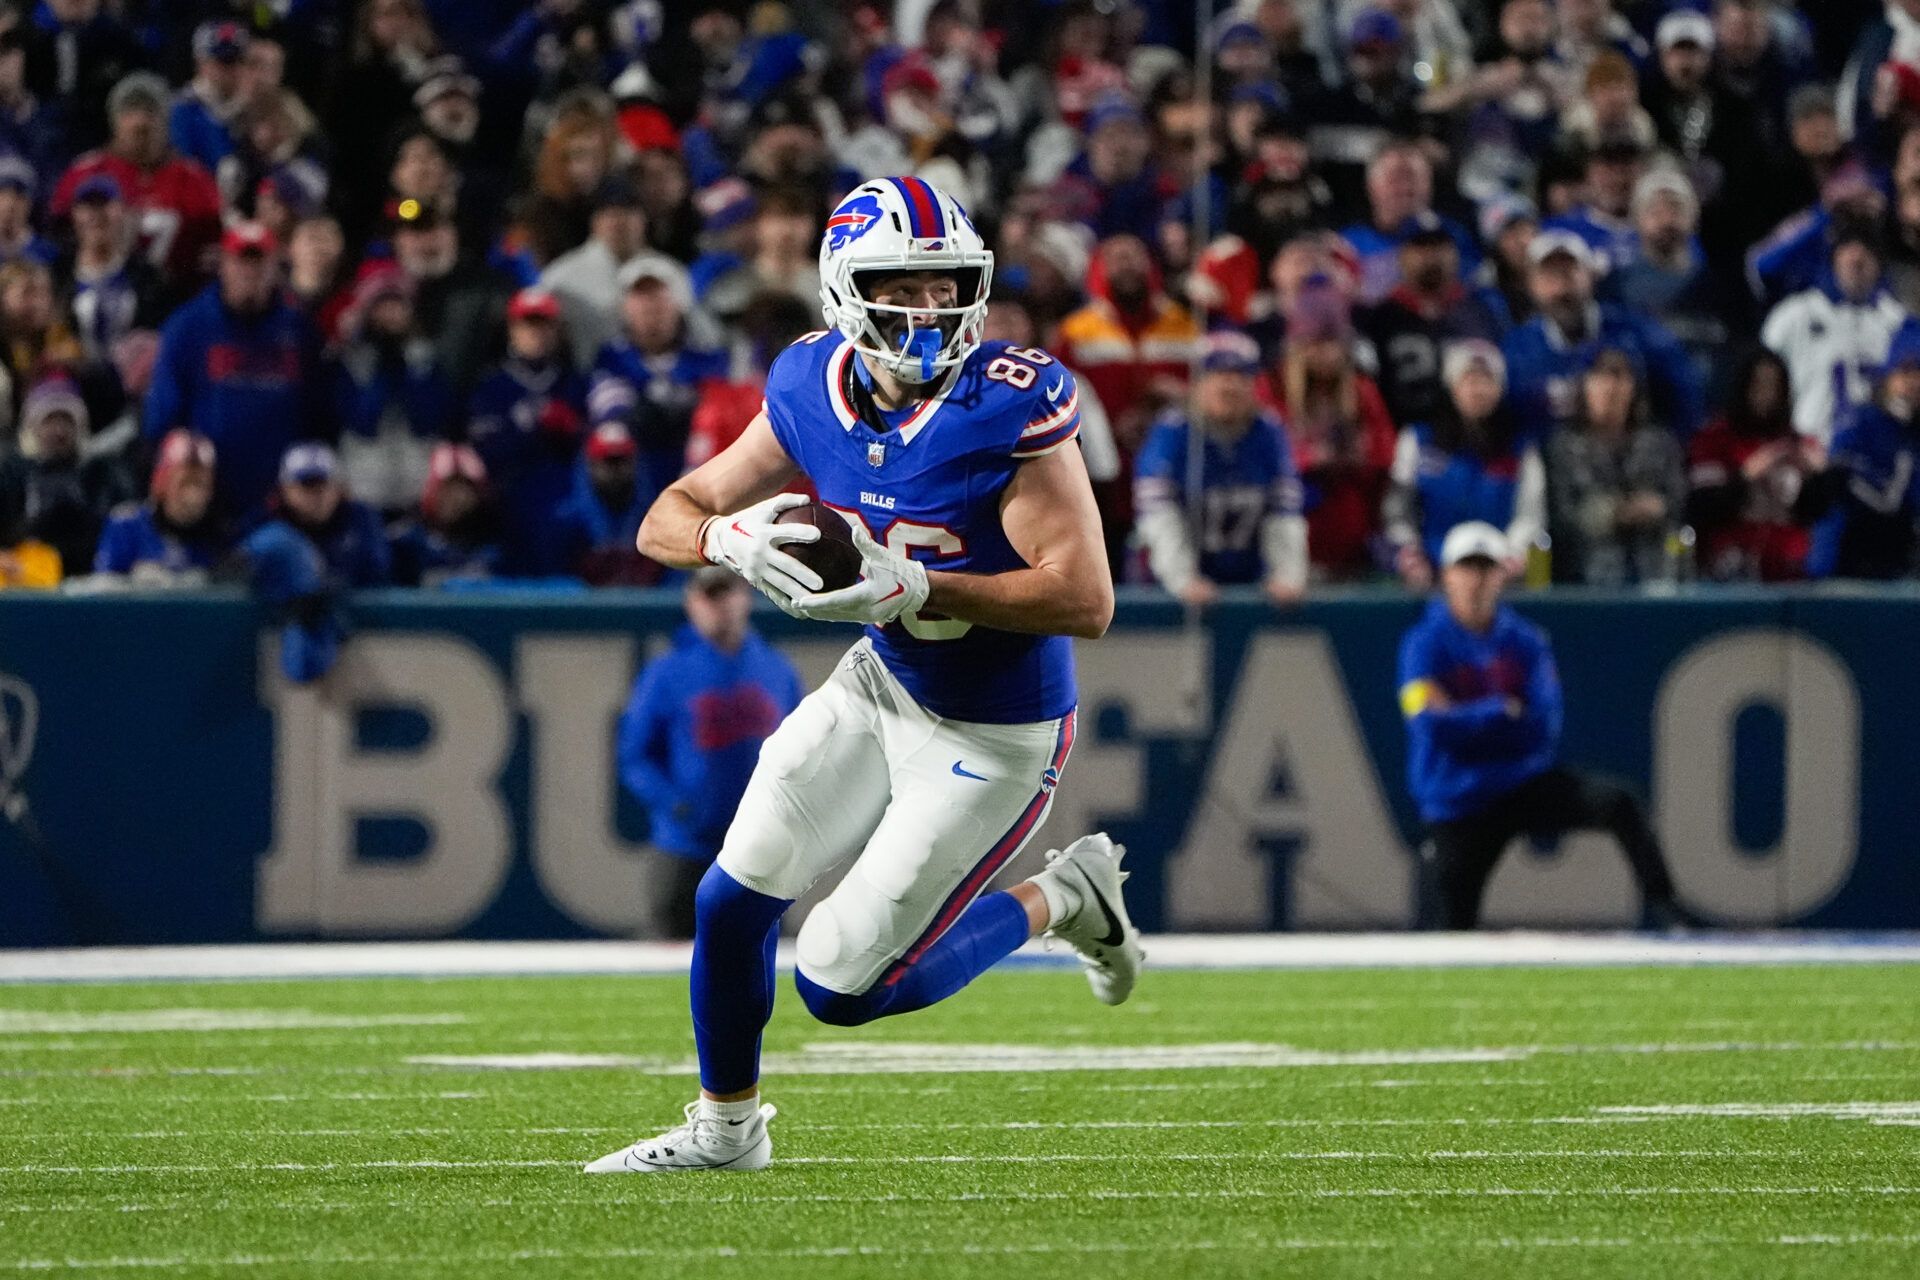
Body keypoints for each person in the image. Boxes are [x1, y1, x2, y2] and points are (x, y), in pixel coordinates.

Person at [590, 176, 1140, 1175]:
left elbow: (1084, 599)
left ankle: (1065, 895)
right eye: (902, 286)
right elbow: (665, 516)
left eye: (945, 287)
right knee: (729, 901)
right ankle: (727, 1133)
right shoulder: (808, 383)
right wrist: (726, 540)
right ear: (847, 289)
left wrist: (922, 582)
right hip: (881, 684)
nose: (930, 310)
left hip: (996, 732)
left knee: (841, 986)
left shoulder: (1005, 402)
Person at [1397, 520, 1702, 930]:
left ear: (1502, 575)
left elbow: (1543, 723)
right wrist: (1499, 711)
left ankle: (1667, 909)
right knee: (1451, 928)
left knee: (1619, 802)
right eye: (1467, 568)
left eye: (1486, 568)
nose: (1477, 580)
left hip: (1520, 783)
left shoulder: (1525, 640)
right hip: (1458, 800)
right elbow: (1429, 725)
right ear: (1447, 575)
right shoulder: (1423, 643)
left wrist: (1468, 720)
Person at [616, 568, 805, 940]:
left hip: (758, 849)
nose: (719, 606)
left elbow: (801, 751)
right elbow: (635, 756)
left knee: (760, 958)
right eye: (709, 596)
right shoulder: (666, 674)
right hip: (685, 848)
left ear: (745, 597)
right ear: (691, 603)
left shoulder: (777, 670)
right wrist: (676, 804)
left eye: (727, 593)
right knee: (674, 954)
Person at [143, 221, 319, 519]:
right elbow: (163, 415)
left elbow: (317, 412)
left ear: (275, 267)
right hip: (205, 501)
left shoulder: (299, 330)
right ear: (223, 265)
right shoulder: (188, 326)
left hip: (282, 501)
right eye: (241, 261)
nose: (249, 272)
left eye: (259, 262)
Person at [1133, 332, 1308, 605]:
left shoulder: (1268, 432)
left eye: (1241, 376)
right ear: (1198, 382)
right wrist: (1182, 578)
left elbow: (1284, 510)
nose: (1230, 385)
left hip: (1249, 585)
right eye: (1218, 374)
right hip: (1168, 592)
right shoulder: (1173, 432)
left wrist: (1287, 574)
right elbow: (1158, 514)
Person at [1502, 230, 1704, 439]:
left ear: (1590, 276)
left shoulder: (1637, 332)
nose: (1561, 289)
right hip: (1551, 455)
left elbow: (1683, 398)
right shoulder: (1517, 348)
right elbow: (1513, 424)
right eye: (1549, 277)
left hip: (1632, 451)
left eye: (1569, 274)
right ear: (1531, 285)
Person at [1386, 340, 1546, 585]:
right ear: (1452, 386)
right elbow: (1398, 508)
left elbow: (1530, 515)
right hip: (1432, 572)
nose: (1478, 390)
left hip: (1498, 573)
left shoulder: (1521, 449)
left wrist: (1510, 558)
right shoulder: (1418, 441)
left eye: (1487, 380)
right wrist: (1411, 555)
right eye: (1469, 380)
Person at [1543, 348, 1688, 586]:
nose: (1610, 388)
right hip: (1586, 576)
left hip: (1654, 572)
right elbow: (1562, 516)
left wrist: (1657, 507)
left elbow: (1678, 501)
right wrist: (1614, 514)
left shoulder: (1660, 443)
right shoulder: (1562, 447)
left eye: (1619, 378)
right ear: (1584, 386)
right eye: (1600, 378)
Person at [1761, 225, 1910, 444]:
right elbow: (1762, 378)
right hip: (1805, 444)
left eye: (1866, 254)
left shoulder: (1898, 323)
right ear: (1833, 260)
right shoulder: (1795, 314)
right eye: (1848, 252)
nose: (1856, 260)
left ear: (1879, 265)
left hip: (1873, 450)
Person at [1688, 348, 1821, 581]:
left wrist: (1819, 477)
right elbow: (1702, 507)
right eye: (1758, 385)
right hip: (1729, 569)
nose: (1766, 394)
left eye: (1774, 386)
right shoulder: (1713, 440)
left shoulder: (1799, 444)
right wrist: (1746, 475)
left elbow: (1812, 513)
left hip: (1789, 570)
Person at [1805, 323, 1920, 579]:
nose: (1914, 383)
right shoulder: (1859, 423)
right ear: (1888, 376)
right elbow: (1849, 485)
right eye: (1906, 371)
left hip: (1897, 569)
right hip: (1844, 567)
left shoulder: (1912, 434)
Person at [90, 427, 227, 584]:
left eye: (201, 485)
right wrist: (132, 582)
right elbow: (102, 586)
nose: (192, 496)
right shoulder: (126, 526)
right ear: (162, 484)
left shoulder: (216, 535)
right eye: (184, 483)